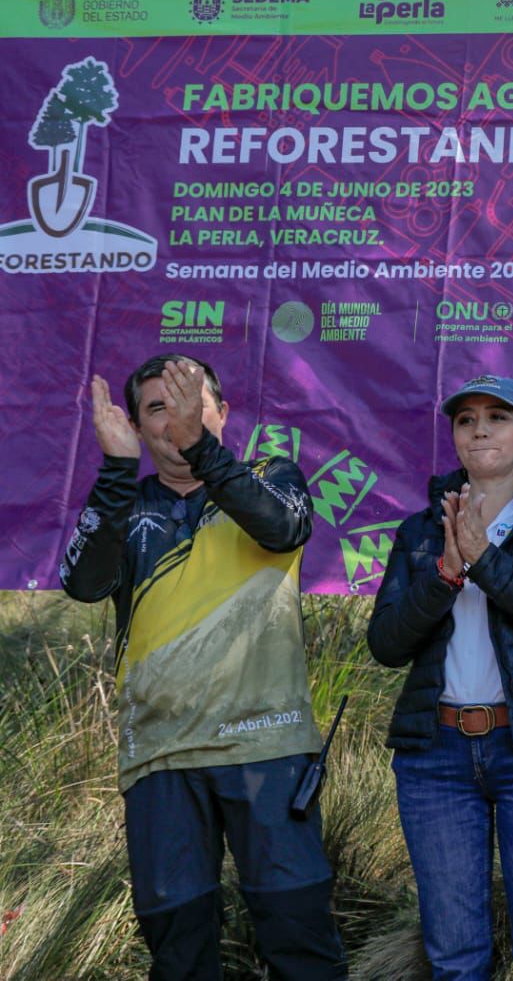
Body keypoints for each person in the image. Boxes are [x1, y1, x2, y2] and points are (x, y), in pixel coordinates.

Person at [58, 354, 346, 980]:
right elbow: (82, 583)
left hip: (267, 749)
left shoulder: (272, 476)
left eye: (190, 402)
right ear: (136, 427)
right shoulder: (125, 506)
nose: (176, 419)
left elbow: (282, 528)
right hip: (160, 758)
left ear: (222, 412)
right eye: (157, 408)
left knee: (301, 942)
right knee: (180, 953)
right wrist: (113, 469)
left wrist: (205, 454)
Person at [367, 374, 513, 981]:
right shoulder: (422, 529)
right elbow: (387, 644)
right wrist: (445, 575)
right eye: (466, 419)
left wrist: (483, 560)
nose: (480, 428)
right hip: (436, 759)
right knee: (453, 956)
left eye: (497, 417)